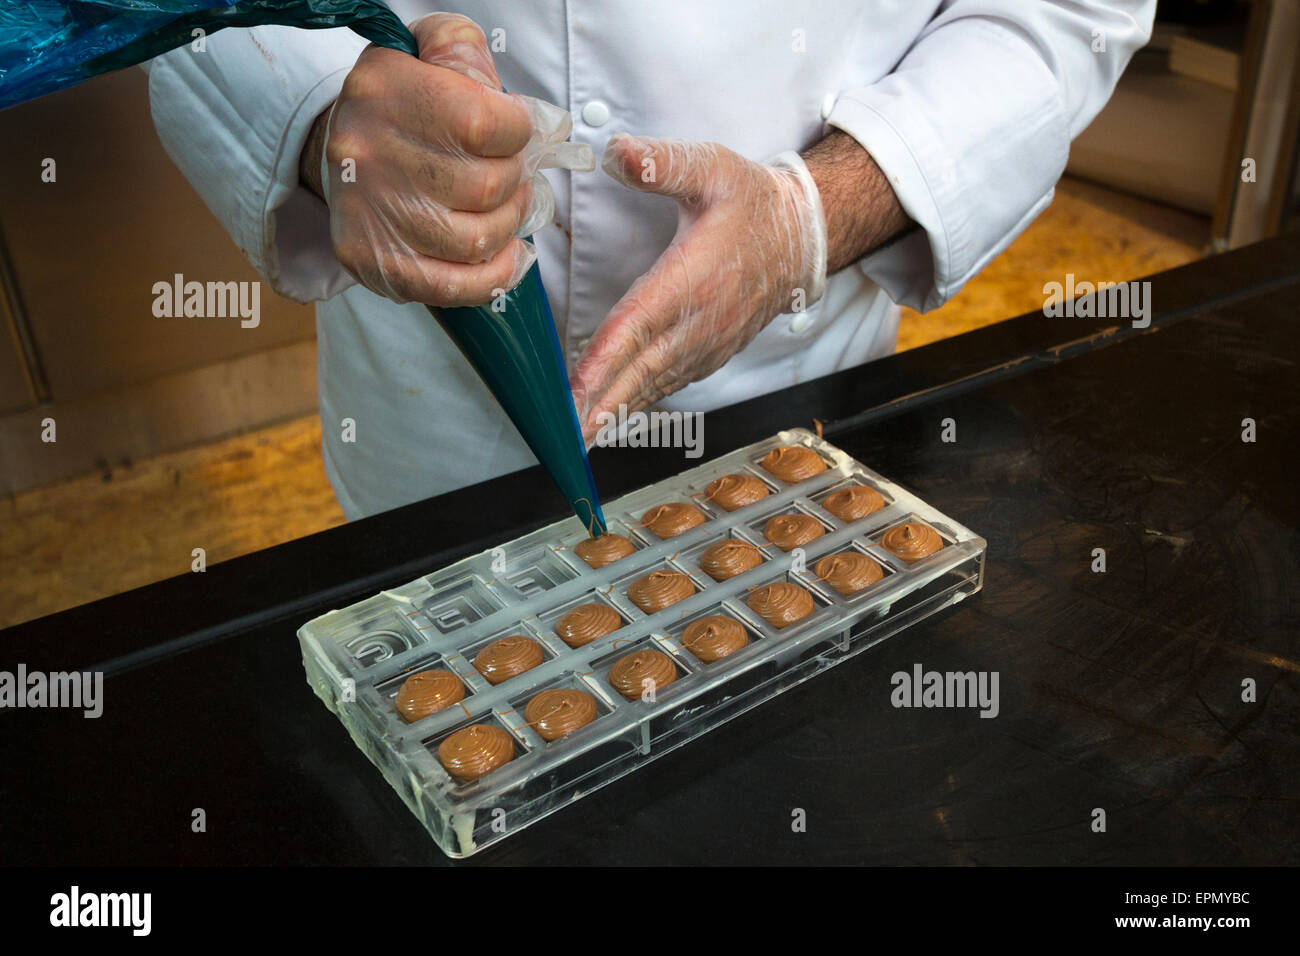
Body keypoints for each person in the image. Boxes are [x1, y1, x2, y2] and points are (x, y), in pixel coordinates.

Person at [146, 1, 1156, 519]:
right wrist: (321, 117)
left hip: (805, 386)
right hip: (434, 402)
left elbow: (1067, 10)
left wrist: (813, 216)